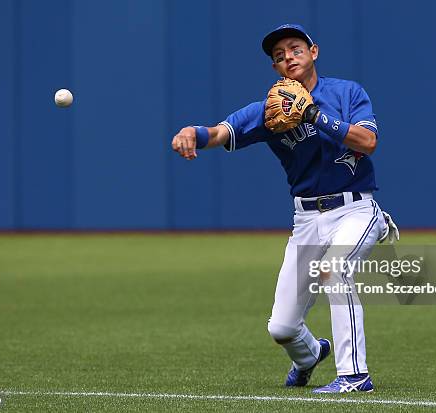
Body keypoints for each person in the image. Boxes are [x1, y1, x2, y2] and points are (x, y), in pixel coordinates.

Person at [171, 23, 398, 394]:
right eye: (279, 56)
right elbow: (217, 133)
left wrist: (313, 115)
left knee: (335, 271)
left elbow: (368, 141)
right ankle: (309, 356)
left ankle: (355, 376)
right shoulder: (268, 111)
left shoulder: (346, 93)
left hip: (355, 209)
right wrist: (189, 133)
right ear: (276, 69)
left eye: (295, 49)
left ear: (313, 52)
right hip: (307, 219)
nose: (288, 57)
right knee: (282, 328)